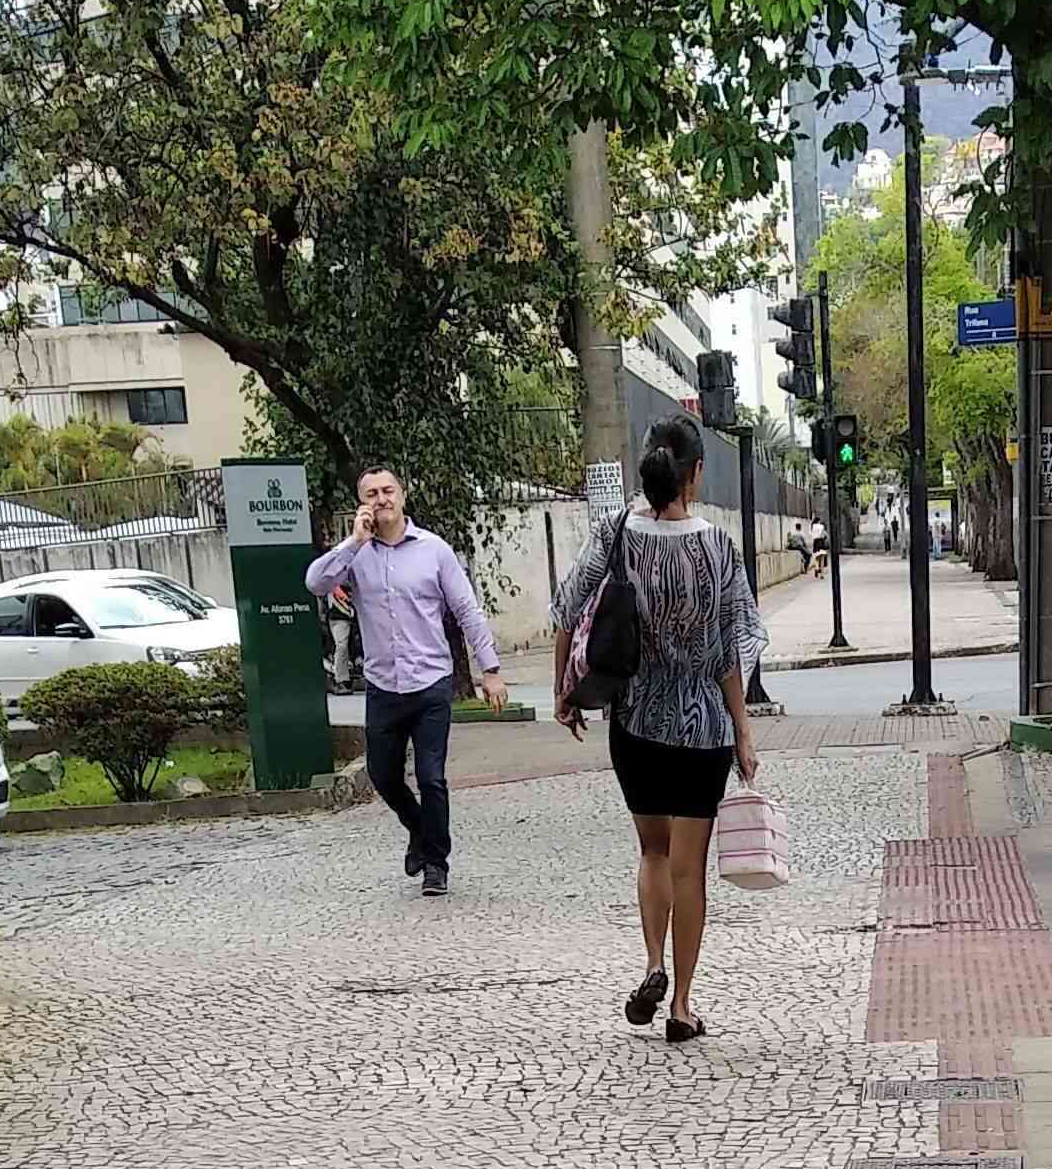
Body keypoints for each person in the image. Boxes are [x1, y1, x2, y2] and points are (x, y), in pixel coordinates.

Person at [554, 416, 764, 1043]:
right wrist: (743, 731)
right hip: (702, 731)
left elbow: (568, 608)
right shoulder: (718, 548)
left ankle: (651, 964)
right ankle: (682, 1006)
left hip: (636, 722)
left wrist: (565, 689)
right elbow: (731, 650)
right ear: (695, 473)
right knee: (688, 868)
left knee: (652, 851)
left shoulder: (614, 532)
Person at [305, 466, 504, 896]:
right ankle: (419, 830)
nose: (381, 499)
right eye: (371, 494)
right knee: (383, 775)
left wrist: (490, 670)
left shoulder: (434, 550)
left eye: (388, 490)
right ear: (362, 502)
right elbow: (315, 583)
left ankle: (436, 863)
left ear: (402, 495)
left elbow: (467, 610)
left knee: (431, 777)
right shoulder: (356, 555)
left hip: (430, 682)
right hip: (383, 685)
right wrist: (353, 542)